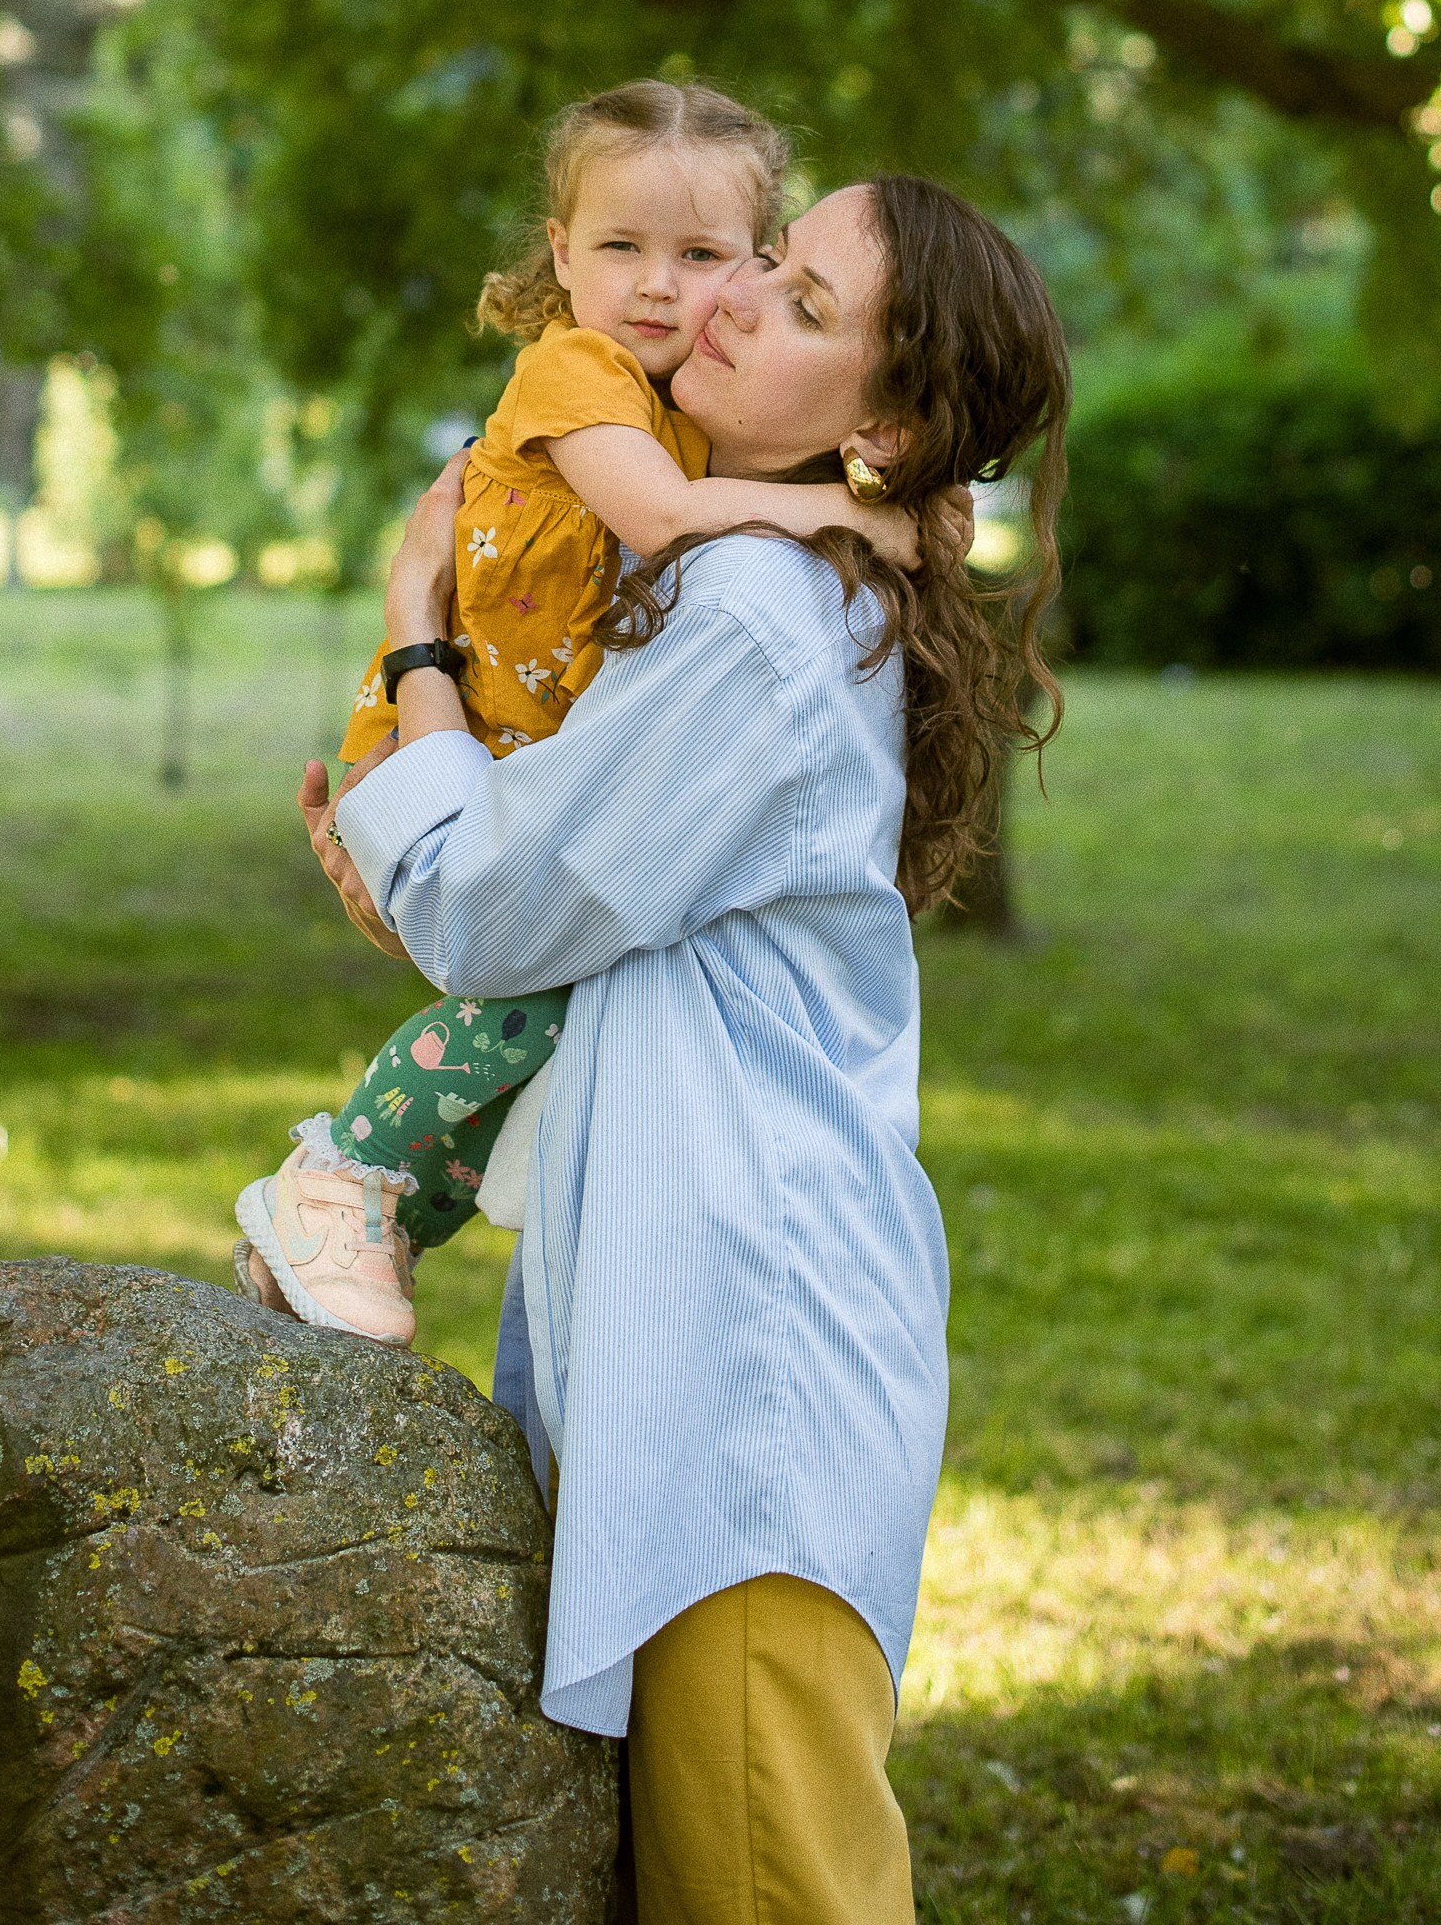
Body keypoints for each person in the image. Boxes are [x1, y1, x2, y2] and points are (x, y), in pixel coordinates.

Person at [299, 175, 1070, 1925]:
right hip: (732, 1330)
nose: (718, 301)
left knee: (771, 1884)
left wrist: (420, 631)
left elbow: (494, 913)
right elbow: (545, 904)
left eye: (799, 304)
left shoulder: (754, 621)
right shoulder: (774, 584)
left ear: (880, 423)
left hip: (744, 1379)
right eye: (764, 263)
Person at [233, 80, 918, 1342]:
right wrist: (857, 513)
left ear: (755, 260)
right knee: (524, 995)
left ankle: (372, 1209)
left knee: (539, 1009)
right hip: (459, 717)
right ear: (560, 254)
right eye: (620, 247)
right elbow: (659, 524)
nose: (660, 286)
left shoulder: (691, 415)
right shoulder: (578, 372)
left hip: (522, 735)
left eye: (702, 255)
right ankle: (343, 1179)